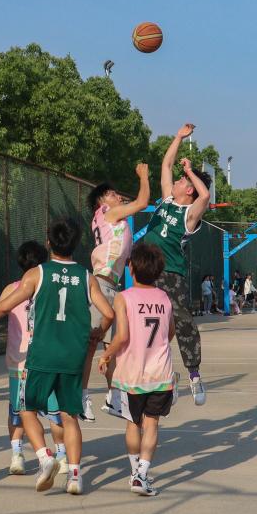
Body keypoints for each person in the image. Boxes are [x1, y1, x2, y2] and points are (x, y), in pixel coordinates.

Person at [0, 218, 114, 495]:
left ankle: (44, 457)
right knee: (70, 416)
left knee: (27, 409)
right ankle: (74, 476)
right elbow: (109, 314)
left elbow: (5, 306)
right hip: (73, 356)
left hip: (42, 355)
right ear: (76, 244)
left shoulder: (36, 274)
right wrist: (98, 333)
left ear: (49, 242)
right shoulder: (86, 277)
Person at [98, 243, 177, 497]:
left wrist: (106, 354)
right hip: (160, 373)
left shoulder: (124, 297)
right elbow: (170, 332)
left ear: (131, 267)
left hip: (131, 374)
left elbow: (121, 336)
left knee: (133, 423)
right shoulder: (164, 298)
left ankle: (134, 473)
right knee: (151, 423)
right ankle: (142, 474)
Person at [142, 123, 212, 405]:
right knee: (148, 324)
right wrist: (178, 137)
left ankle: (194, 374)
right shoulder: (166, 200)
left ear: (189, 189)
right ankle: (161, 376)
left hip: (170, 273)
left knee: (181, 320)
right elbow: (166, 164)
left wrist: (191, 172)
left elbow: (205, 196)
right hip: (145, 270)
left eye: (182, 181)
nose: (177, 181)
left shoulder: (190, 214)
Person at [0, 241, 67, 476]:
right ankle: (61, 455)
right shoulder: (52, 288)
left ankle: (17, 455)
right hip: (48, 359)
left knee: (18, 411)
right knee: (55, 414)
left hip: (19, 361)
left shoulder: (12, 290)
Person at [83, 163, 150, 422]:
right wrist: (143, 176)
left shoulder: (112, 219)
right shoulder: (108, 213)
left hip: (111, 285)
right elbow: (142, 202)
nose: (118, 196)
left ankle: (114, 398)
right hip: (100, 285)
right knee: (91, 344)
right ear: (102, 202)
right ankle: (82, 397)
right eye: (113, 194)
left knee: (113, 347)